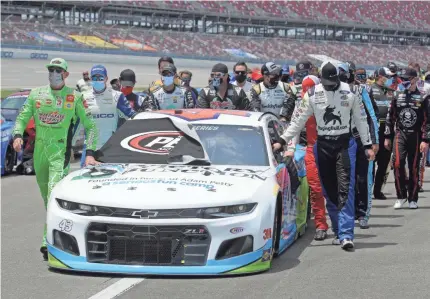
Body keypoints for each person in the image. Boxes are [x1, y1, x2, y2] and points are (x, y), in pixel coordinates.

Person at [272, 61, 375, 250]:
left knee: (346, 188)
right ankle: (338, 229)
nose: (330, 85)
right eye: (327, 82)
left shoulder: (351, 92)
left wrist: (368, 144)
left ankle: (346, 234)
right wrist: (282, 140)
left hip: (344, 144)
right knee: (328, 190)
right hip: (323, 145)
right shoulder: (311, 94)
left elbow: (361, 120)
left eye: (333, 82)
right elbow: (298, 120)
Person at [12, 58, 98, 260]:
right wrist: (17, 135)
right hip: (39, 153)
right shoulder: (36, 94)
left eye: (58, 70)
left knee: (53, 194)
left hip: (60, 152)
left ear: (66, 74)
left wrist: (91, 151)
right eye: (51, 69)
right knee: (46, 199)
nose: (53, 73)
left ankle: (47, 241)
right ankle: (55, 233)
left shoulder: (75, 97)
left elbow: (91, 125)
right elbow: (23, 116)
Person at [339, 62, 379, 229]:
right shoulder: (331, 91)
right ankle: (348, 213)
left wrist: (374, 141)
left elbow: (372, 116)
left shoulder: (361, 91)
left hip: (361, 140)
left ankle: (363, 213)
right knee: (345, 180)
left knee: (363, 178)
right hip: (342, 140)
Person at [384, 68, 430, 209]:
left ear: (415, 79)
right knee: (397, 164)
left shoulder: (423, 97)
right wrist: (387, 137)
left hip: (416, 136)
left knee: (414, 167)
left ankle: (412, 198)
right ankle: (401, 196)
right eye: (402, 79)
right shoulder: (397, 95)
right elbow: (390, 117)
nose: (404, 81)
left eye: (407, 79)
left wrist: (425, 140)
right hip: (400, 134)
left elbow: (428, 120)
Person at [79, 65, 136, 167]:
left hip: (110, 149)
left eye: (100, 78)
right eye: (95, 78)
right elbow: (75, 123)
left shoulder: (117, 96)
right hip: (89, 148)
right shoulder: (83, 97)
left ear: (106, 78)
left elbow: (133, 117)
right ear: (91, 79)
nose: (98, 80)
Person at [299, 75, 329, 240]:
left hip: (331, 149)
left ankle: (340, 224)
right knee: (316, 189)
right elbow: (294, 126)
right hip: (311, 149)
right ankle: (320, 224)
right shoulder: (302, 104)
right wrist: (290, 148)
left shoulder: (330, 101)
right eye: (304, 89)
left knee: (333, 189)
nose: (307, 92)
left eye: (309, 88)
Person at [372, 67, 396, 199]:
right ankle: (366, 189)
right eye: (388, 76)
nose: (390, 79)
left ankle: (377, 191)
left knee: (384, 162)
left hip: (387, 130)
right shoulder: (370, 89)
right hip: (374, 130)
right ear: (381, 76)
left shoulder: (392, 92)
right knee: (370, 162)